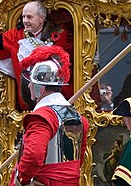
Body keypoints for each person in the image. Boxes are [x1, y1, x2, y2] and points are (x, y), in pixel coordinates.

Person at [0, 0, 71, 137]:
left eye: (29, 17)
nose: (25, 21)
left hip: (57, 104)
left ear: (42, 18)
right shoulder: (17, 36)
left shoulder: (61, 35)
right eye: (23, 17)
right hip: (25, 107)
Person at [9, 45, 89, 186]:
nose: (29, 87)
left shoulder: (42, 117)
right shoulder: (78, 117)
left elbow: (33, 156)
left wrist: (22, 179)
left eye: (32, 84)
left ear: (40, 87)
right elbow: (78, 160)